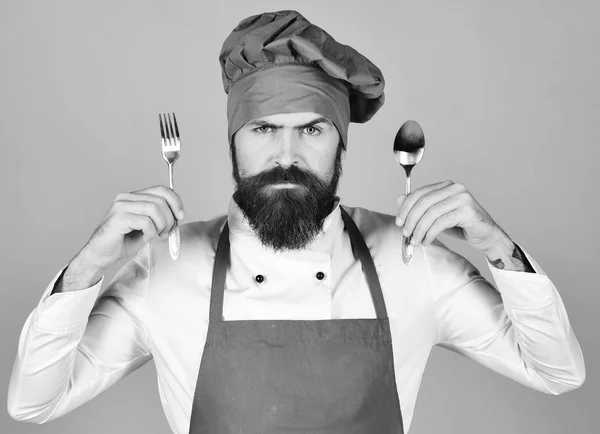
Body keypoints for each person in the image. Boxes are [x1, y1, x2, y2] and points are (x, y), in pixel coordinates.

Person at [7, 9, 585, 434]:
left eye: (311, 129)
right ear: (233, 143)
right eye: (263, 129)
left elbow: (556, 371)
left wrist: (499, 248)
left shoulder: (413, 260)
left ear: (341, 145)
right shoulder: (168, 265)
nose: (286, 155)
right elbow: (34, 403)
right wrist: (87, 268)